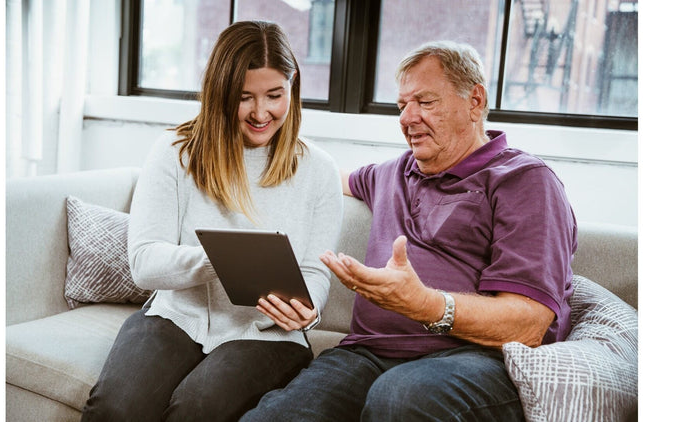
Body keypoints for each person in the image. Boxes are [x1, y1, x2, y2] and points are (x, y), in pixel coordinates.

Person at [241, 40, 577, 421]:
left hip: (476, 358)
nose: (406, 118)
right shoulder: (391, 173)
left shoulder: (524, 181)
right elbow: (320, 175)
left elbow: (530, 324)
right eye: (402, 106)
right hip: (366, 354)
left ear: (475, 100)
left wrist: (426, 304)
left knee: (400, 396)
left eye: (425, 102)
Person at [81, 21, 343, 422]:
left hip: (268, 334)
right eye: (244, 98)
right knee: (117, 409)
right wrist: (217, 259)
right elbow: (144, 263)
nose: (261, 112)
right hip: (176, 316)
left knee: (198, 409)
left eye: (275, 95)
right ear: (220, 95)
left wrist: (309, 309)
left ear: (293, 87)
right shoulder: (176, 152)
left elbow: (314, 273)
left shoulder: (319, 171)